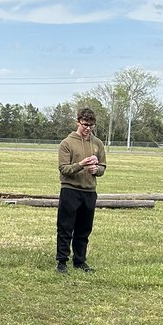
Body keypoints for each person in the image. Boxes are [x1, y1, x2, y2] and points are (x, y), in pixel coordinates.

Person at [56, 106, 106, 273]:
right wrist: (81, 165)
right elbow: (64, 169)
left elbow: (102, 167)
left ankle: (80, 261)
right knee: (65, 227)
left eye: (91, 125)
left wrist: (96, 170)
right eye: (85, 124)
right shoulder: (67, 143)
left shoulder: (98, 143)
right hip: (70, 190)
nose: (88, 129)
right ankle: (62, 262)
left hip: (89, 192)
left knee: (84, 229)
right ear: (77, 122)